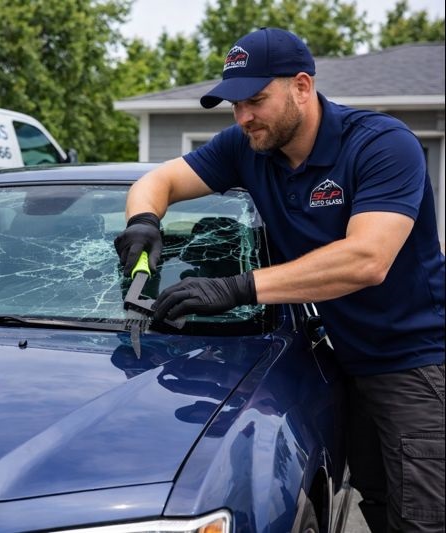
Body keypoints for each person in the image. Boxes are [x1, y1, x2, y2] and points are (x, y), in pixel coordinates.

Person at [114, 27, 445, 532]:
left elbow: (366, 259)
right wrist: (143, 221)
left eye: (256, 100)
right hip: (348, 363)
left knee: (423, 520)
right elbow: (158, 180)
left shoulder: (382, 145)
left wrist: (236, 287)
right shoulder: (248, 147)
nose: (244, 116)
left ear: (302, 87)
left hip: (417, 366)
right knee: (377, 506)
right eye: (234, 104)